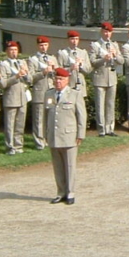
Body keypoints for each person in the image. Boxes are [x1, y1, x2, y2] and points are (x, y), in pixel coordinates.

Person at [44, 67, 85, 205]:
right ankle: (60, 192)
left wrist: (80, 134)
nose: (58, 81)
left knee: (70, 166)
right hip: (54, 135)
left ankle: (70, 193)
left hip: (69, 136)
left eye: (61, 79)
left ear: (67, 80)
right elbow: (45, 115)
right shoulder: (49, 94)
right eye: (56, 79)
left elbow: (81, 116)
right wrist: (45, 133)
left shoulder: (74, 95)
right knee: (58, 166)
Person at [0, 40, 32, 155]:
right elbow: (3, 83)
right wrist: (16, 76)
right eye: (11, 50)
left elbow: (30, 80)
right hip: (11, 98)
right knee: (10, 124)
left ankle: (18, 145)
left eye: (15, 50)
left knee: (20, 124)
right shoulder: (3, 65)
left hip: (22, 97)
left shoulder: (22, 62)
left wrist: (26, 74)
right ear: (7, 51)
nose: (14, 52)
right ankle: (10, 146)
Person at [90, 22, 121, 136]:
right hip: (100, 78)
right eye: (105, 32)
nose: (107, 34)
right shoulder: (95, 45)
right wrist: (104, 59)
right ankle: (101, 129)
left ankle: (110, 128)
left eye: (109, 32)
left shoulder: (114, 45)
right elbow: (92, 61)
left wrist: (115, 55)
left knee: (110, 104)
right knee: (100, 105)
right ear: (101, 32)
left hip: (111, 78)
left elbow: (121, 61)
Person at [27, 36, 58, 150]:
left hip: (51, 91)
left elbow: (59, 74)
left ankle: (49, 139)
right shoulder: (32, 59)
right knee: (39, 119)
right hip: (39, 92)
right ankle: (39, 142)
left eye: (45, 45)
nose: (43, 47)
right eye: (41, 45)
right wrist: (43, 72)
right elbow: (30, 77)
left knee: (50, 117)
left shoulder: (52, 58)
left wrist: (54, 68)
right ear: (37, 46)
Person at [56, 30, 92, 130]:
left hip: (80, 86)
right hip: (69, 86)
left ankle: (81, 131)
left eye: (76, 39)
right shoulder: (62, 53)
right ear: (68, 40)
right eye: (72, 39)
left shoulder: (83, 52)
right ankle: (68, 129)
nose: (74, 41)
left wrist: (81, 65)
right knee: (68, 110)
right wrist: (70, 69)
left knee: (81, 111)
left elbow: (89, 70)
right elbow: (58, 70)